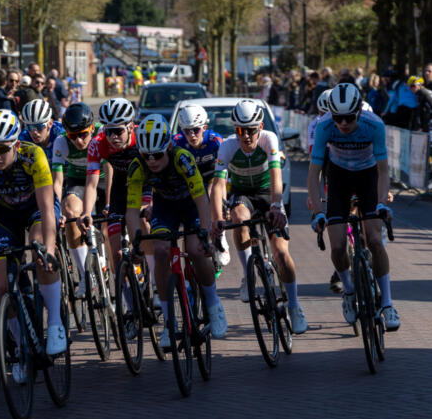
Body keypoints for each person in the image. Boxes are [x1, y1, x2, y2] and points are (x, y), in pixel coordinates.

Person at [0, 110, 67, 365]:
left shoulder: (33, 155)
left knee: (41, 253)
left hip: (35, 211)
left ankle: (54, 324)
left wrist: (49, 250)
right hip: (5, 216)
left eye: (1, 149)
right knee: (1, 283)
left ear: (16, 145)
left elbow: (46, 209)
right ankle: (20, 347)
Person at [307, 83, 400, 331]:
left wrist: (381, 203)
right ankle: (349, 291)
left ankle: (388, 303)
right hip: (338, 178)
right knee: (337, 245)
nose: (344, 123)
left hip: (368, 176)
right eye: (339, 118)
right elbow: (314, 174)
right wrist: (317, 211)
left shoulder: (375, 125)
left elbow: (383, 171)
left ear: (359, 111)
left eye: (349, 117)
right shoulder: (325, 126)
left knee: (375, 240)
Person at [127, 115, 225, 347]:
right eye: (146, 155)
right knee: (159, 251)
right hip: (165, 207)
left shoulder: (183, 158)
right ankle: (169, 323)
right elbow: (131, 211)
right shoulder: (137, 166)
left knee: (196, 249)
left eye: (157, 155)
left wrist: (205, 233)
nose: (151, 161)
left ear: (169, 147)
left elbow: (202, 200)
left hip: (191, 205)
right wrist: (136, 243)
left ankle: (213, 303)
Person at [210, 100, 306, 334]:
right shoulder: (227, 146)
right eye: (240, 130)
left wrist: (276, 206)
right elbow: (218, 185)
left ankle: (294, 305)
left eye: (251, 129)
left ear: (260, 127)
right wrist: (216, 219)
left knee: (281, 254)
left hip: (268, 195)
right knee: (238, 217)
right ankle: (247, 275)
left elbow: (276, 176)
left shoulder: (269, 139)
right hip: (244, 195)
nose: (246, 136)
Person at [82, 98, 143, 275]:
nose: (113, 137)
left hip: (144, 185)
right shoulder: (97, 143)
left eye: (118, 131)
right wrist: (86, 212)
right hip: (119, 189)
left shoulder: (141, 138)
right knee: (115, 253)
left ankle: (154, 283)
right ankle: (127, 299)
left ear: (131, 126)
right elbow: (92, 184)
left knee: (143, 229)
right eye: (109, 132)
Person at [51, 102, 101, 298]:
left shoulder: (101, 134)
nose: (80, 141)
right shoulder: (61, 142)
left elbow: (109, 171)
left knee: (110, 219)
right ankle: (85, 275)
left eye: (83, 134)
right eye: (74, 136)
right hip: (78, 180)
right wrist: (58, 212)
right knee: (70, 211)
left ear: (91, 129)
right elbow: (57, 182)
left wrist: (107, 205)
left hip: (104, 178)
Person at [172, 104, 229, 265]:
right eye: (186, 131)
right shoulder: (176, 142)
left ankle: (220, 237)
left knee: (212, 194)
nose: (191, 135)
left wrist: (223, 202)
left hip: (211, 175)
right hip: (190, 179)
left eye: (195, 130)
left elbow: (223, 172)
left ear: (204, 127)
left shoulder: (215, 141)